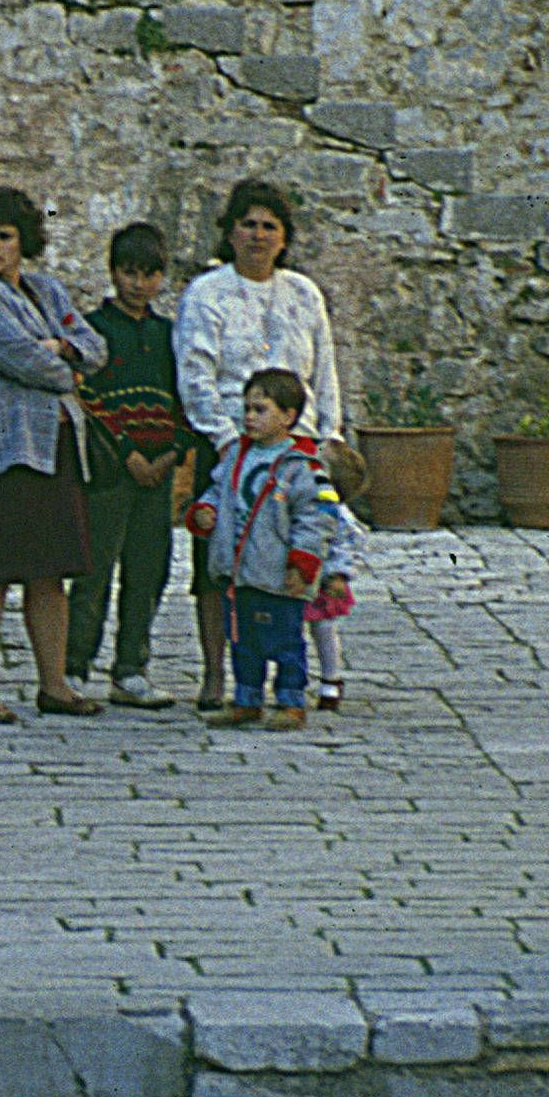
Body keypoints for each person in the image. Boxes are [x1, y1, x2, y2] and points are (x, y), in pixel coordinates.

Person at [175, 179, 343, 711]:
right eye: (248, 224)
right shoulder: (207, 293)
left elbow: (324, 371)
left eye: (269, 225)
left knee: (300, 550)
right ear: (230, 231)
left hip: (296, 448)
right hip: (230, 441)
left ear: (284, 237)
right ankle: (217, 673)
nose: (258, 235)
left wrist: (329, 438)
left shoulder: (303, 294)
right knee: (220, 561)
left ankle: (301, 675)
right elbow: (195, 372)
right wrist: (228, 441)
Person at [0, 184, 107, 723]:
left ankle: (54, 685)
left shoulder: (47, 291)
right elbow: (17, 357)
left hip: (59, 444)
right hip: (7, 444)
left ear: (23, 242)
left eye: (5, 237)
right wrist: (65, 366)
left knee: (51, 570)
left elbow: (96, 347)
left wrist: (61, 347)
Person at [65, 221, 187, 708]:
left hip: (159, 472)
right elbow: (89, 397)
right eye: (129, 272)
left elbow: (185, 396)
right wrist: (128, 452)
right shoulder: (95, 330)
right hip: (112, 471)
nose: (139, 284)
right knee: (94, 570)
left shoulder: (168, 335)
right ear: (113, 273)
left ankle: (131, 668)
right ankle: (74, 666)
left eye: (149, 274)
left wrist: (174, 451)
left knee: (148, 569)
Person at [187, 368, 335, 731]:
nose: (249, 417)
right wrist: (205, 512)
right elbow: (217, 491)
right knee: (243, 641)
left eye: (260, 409)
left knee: (284, 641)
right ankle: (247, 699)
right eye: (247, 408)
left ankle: (290, 700)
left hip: (278, 572)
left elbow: (317, 517)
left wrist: (303, 562)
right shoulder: (237, 455)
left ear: (288, 416)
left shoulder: (303, 465)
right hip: (238, 571)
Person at [307, 439, 370, 712]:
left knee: (324, 628)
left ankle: (331, 678)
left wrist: (339, 574)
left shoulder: (338, 515)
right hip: (297, 574)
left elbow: (349, 543)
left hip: (323, 580)